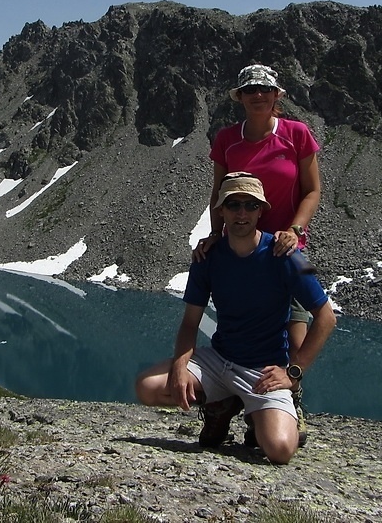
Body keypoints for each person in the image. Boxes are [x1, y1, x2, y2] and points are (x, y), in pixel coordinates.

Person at [135, 173, 336, 464]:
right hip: (219, 362)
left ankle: (253, 410)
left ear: (261, 211)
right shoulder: (207, 257)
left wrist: (293, 373)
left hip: (263, 372)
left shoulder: (288, 256)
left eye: (250, 205)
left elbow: (326, 318)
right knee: (147, 387)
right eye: (233, 205)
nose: (242, 213)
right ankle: (223, 402)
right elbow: (190, 322)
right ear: (221, 211)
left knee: (280, 450)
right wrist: (180, 366)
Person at [193, 64, 322, 443]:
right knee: (242, 332)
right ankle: (229, 402)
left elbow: (312, 190)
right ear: (240, 96)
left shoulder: (297, 134)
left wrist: (295, 231)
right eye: (250, 89)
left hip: (287, 251)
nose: (258, 95)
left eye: (265, 89)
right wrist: (214, 235)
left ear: (277, 95)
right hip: (241, 250)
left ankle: (288, 401)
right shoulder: (227, 139)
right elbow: (218, 193)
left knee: (295, 340)